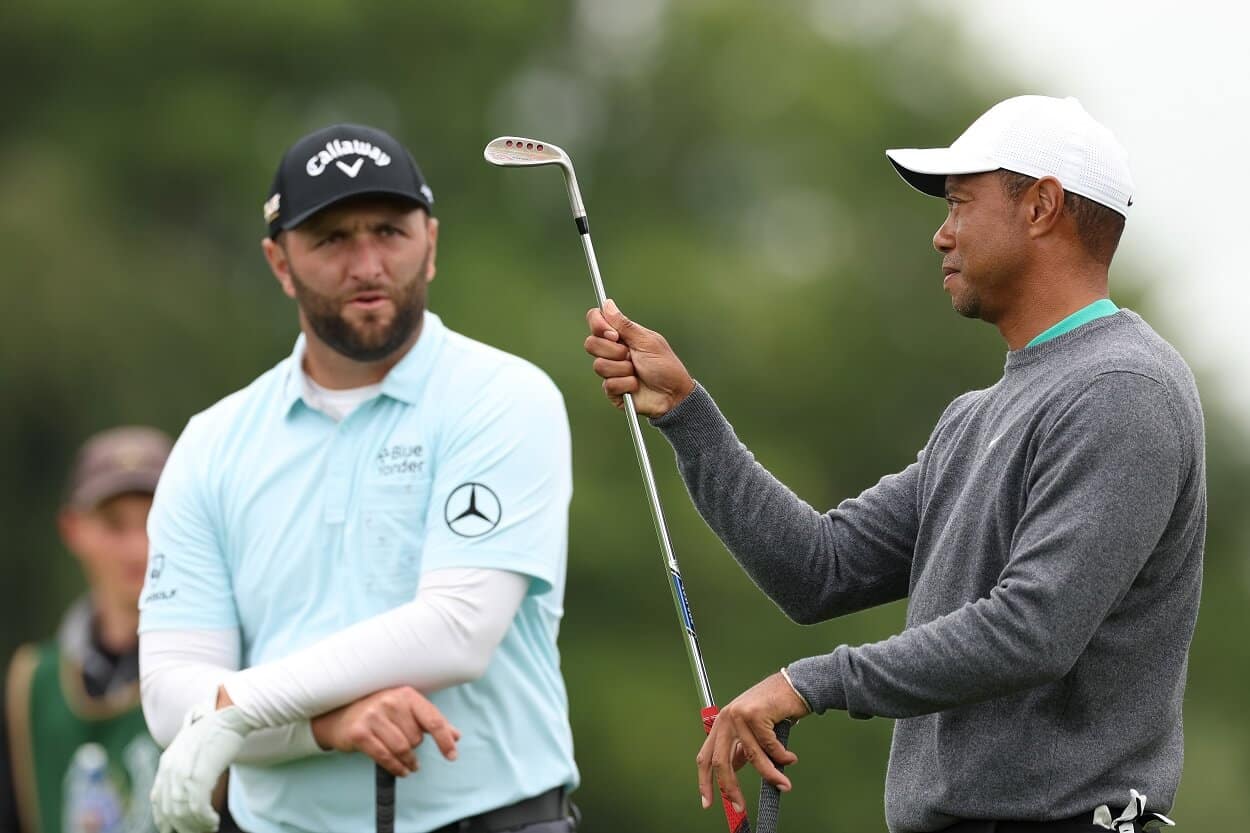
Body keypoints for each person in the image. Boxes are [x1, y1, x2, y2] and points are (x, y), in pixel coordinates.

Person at [584, 95, 1204, 833]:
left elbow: (1033, 627)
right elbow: (818, 567)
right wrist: (687, 413)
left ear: (1041, 206)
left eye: (960, 204)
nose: (941, 235)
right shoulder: (975, 418)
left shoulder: (1122, 391)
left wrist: (810, 681)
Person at [139, 124, 579, 833]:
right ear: (280, 263)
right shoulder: (213, 442)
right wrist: (326, 723)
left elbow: (457, 629)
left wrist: (241, 707)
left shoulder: (503, 395)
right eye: (331, 239)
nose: (368, 262)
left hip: (490, 818)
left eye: (389, 231)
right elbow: (170, 696)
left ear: (430, 244)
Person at [0, 426, 194, 833]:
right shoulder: (32, 684)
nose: (137, 548)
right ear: (73, 529)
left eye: (154, 520)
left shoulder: (214, 670)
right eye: (113, 525)